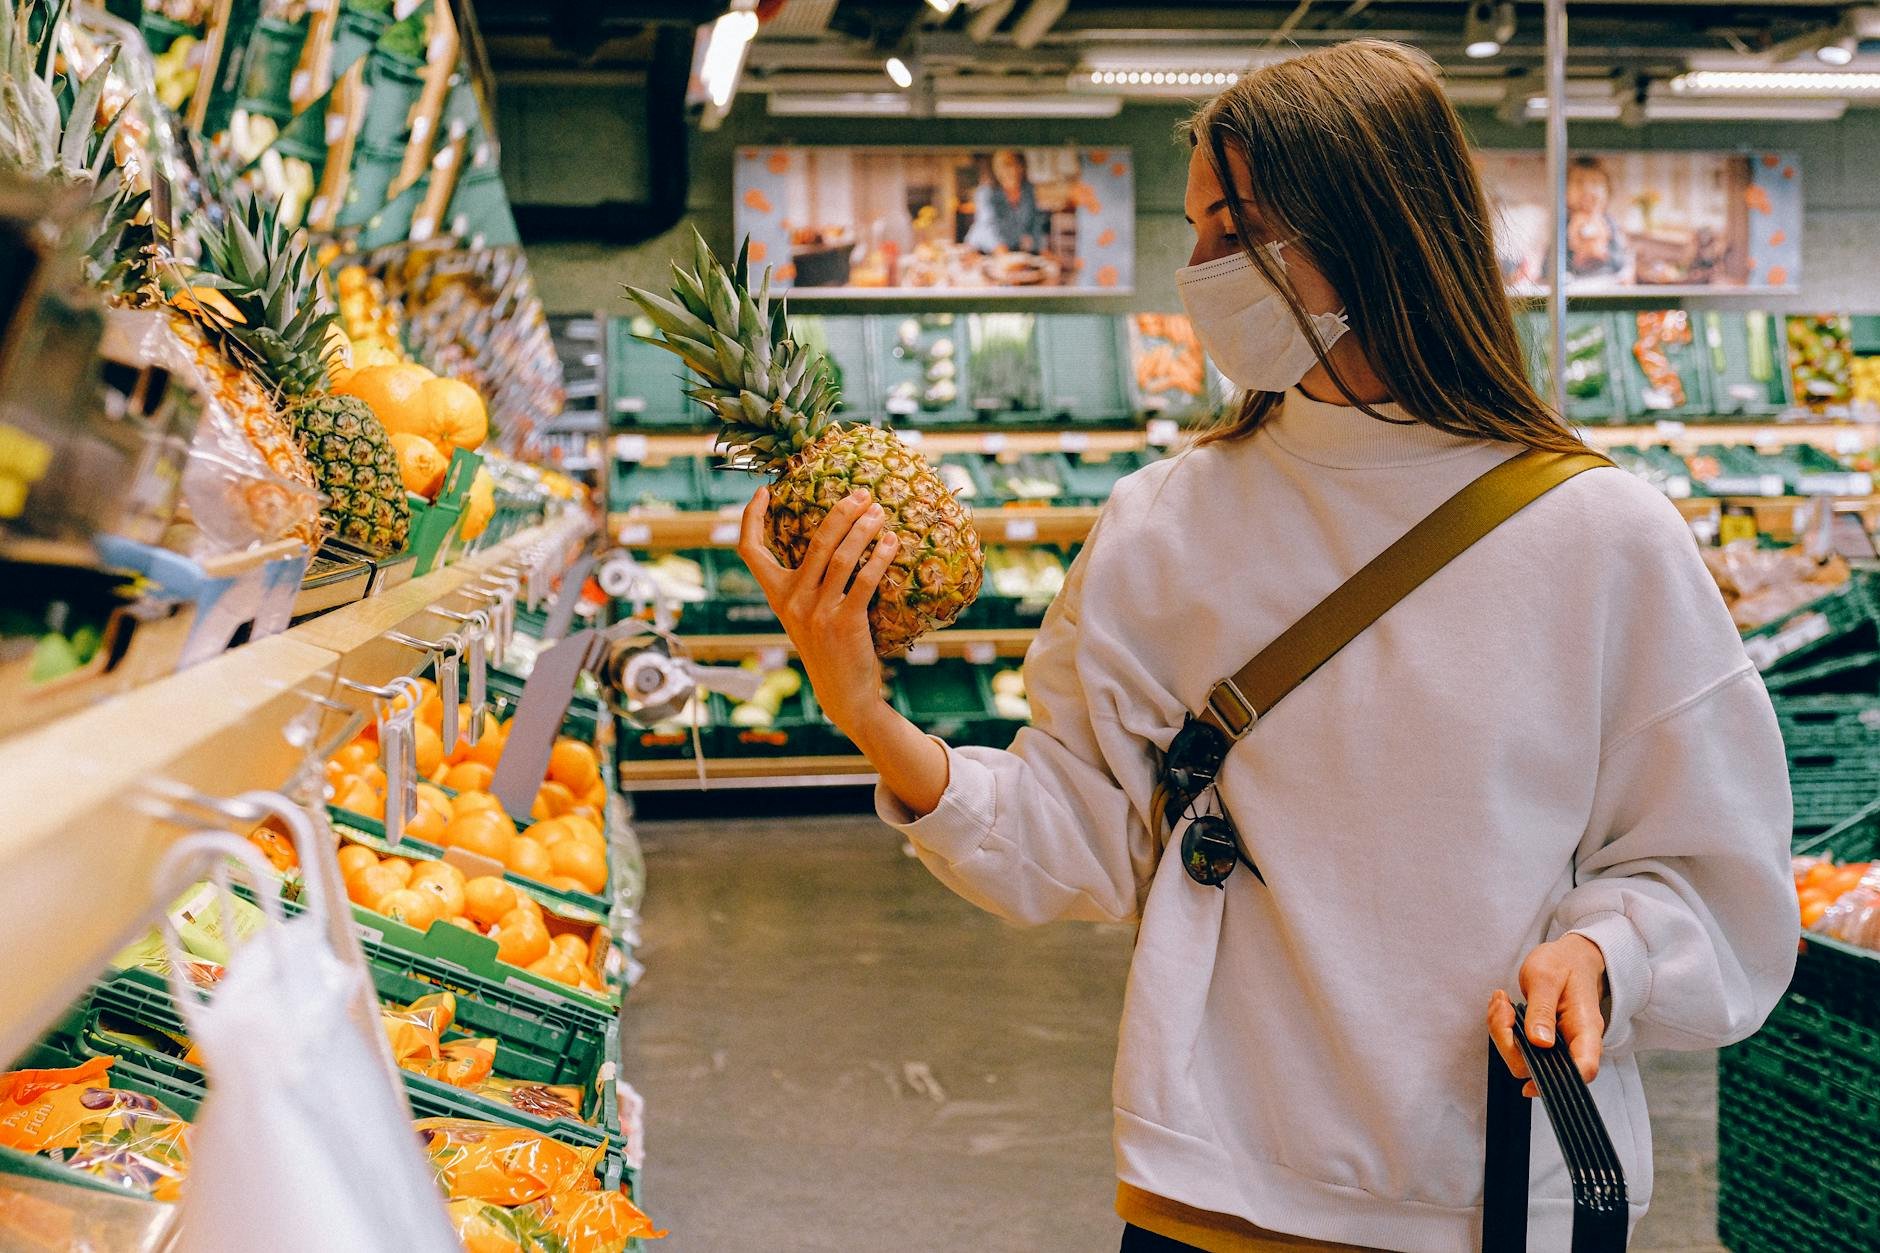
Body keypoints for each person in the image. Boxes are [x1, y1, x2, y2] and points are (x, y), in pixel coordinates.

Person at [736, 40, 1796, 1253]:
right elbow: (1077, 836)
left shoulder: (1602, 537)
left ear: (1372, 229)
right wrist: (868, 714)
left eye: (1230, 230)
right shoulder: (1165, 523)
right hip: (1215, 1186)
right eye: (1195, 230)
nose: (1194, 273)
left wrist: (1606, 948)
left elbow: (1714, 875)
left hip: (1495, 1186)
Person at [963, 148, 1049, 255]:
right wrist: (1002, 252)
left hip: (1011, 249)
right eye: (1001, 166)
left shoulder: (1028, 190)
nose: (1007, 171)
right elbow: (989, 225)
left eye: (1011, 164)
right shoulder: (987, 192)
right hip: (982, 249)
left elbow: (1035, 222)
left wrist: (1041, 249)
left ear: (1021, 166)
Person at [1566, 156, 1629, 279]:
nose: (1587, 190)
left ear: (1607, 192)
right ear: (1564, 192)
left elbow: (1620, 261)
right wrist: (1574, 259)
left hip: (1606, 285)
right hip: (1572, 287)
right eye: (1579, 182)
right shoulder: (1563, 224)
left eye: (1595, 182)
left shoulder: (1610, 224)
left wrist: (1605, 255)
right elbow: (1549, 266)